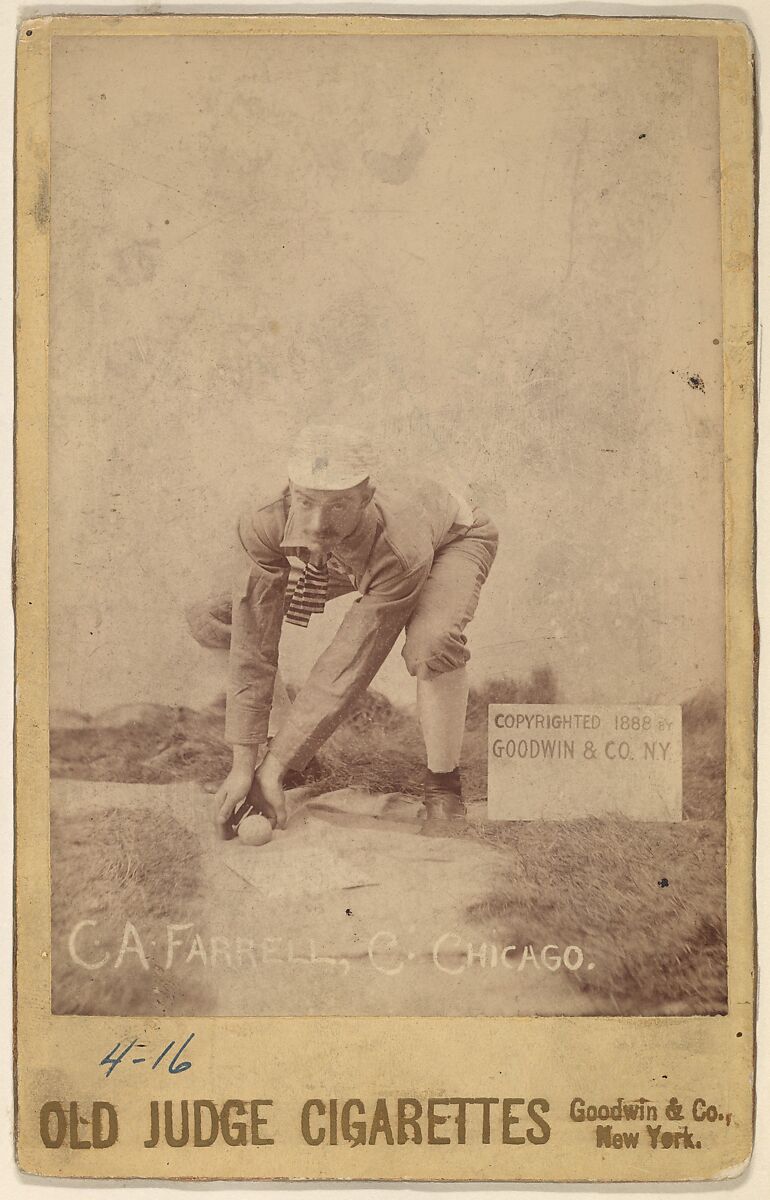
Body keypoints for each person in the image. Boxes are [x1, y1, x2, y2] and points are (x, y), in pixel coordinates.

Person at [186, 424, 498, 836]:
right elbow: (252, 641)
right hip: (342, 555)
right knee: (216, 615)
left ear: (366, 498)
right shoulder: (265, 519)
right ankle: (287, 759)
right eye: (306, 501)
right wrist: (245, 764)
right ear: (291, 489)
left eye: (337, 505)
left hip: (444, 542)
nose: (316, 523)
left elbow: (350, 660)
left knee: (431, 644)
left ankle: (444, 785)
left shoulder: (400, 545)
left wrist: (275, 765)